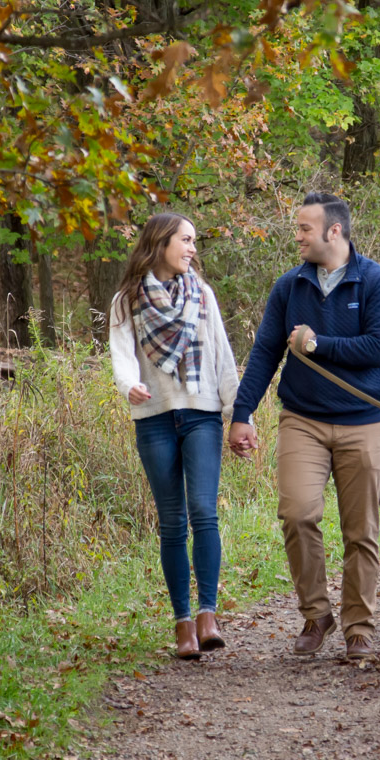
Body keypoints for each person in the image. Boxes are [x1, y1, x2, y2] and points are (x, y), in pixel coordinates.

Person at [228, 191, 380, 659]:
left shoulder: (378, 283)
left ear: (334, 231)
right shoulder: (290, 286)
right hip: (302, 420)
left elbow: (377, 350)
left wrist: (316, 344)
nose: (298, 236)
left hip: (365, 422)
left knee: (360, 530)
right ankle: (316, 613)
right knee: (298, 514)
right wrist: (241, 414)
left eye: (305, 228)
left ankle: (358, 627)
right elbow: (266, 352)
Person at [110, 212, 242, 660]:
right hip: (154, 417)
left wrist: (238, 413)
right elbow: (121, 354)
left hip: (202, 414)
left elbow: (223, 356)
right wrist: (128, 384)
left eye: (194, 241)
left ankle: (208, 615)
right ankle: (183, 623)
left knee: (204, 512)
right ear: (161, 241)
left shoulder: (201, 294)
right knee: (172, 524)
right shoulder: (127, 299)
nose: (192, 249)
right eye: (185, 240)